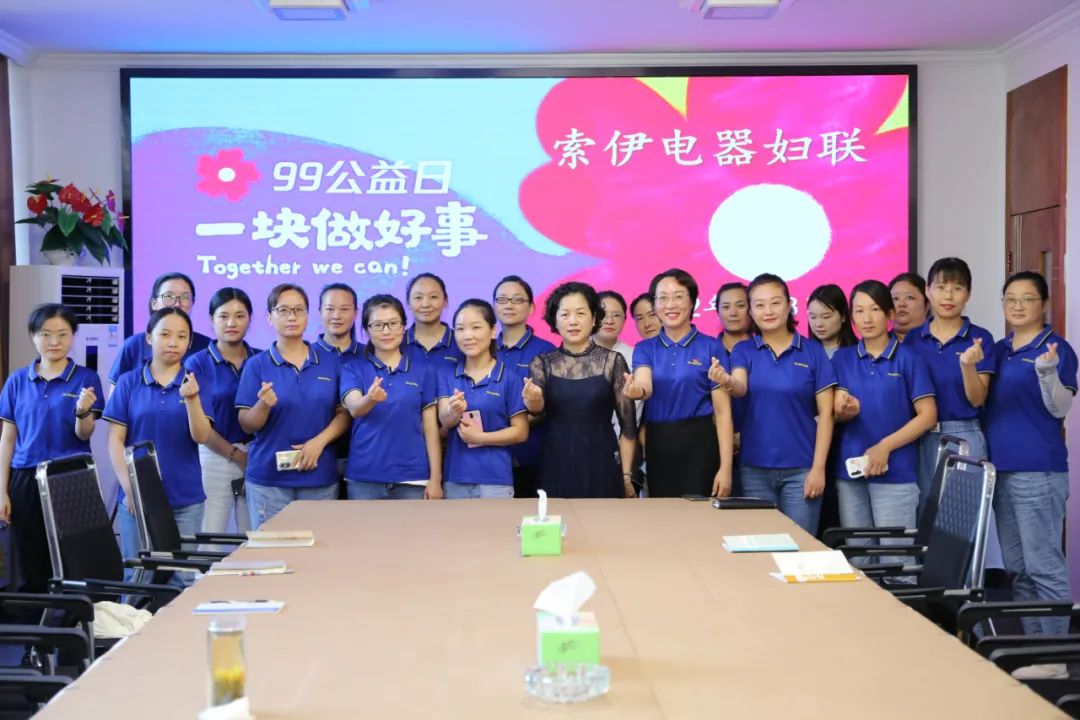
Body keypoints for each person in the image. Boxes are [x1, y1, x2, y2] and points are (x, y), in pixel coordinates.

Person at [984, 271, 1076, 664]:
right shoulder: (999, 349)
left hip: (1038, 471)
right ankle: (1036, 652)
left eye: (1027, 299)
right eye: (1010, 298)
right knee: (1019, 569)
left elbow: (1060, 407)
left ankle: (1056, 658)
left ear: (1044, 304)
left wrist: (1047, 371)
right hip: (1001, 472)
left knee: (1044, 567)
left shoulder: (1056, 348)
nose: (1017, 306)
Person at [713, 273, 836, 534]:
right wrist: (726, 380)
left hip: (802, 470)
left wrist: (818, 468)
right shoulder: (744, 350)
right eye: (759, 305)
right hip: (753, 469)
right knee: (759, 545)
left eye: (775, 303)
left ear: (789, 305)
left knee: (800, 545)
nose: (768, 311)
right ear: (751, 311)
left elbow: (827, 415)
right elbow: (740, 386)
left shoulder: (813, 352)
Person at [831, 280, 937, 565]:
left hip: (896, 473)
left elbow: (928, 415)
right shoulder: (842, 358)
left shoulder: (909, 358)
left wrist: (884, 447)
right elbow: (833, 411)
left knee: (896, 562)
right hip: (851, 473)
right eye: (859, 310)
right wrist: (842, 409)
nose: (866, 318)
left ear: (890, 313)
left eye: (875, 309)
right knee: (859, 561)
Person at [0, 304, 103, 592]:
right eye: (45, 334)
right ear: (33, 336)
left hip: (71, 477)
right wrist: (2, 491)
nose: (54, 341)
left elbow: (84, 433)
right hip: (25, 477)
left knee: (75, 558)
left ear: (73, 336)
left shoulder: (86, 378)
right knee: (29, 559)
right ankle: (35, 619)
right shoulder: (17, 380)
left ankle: (73, 618)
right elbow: (7, 439)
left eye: (62, 334)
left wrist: (82, 411)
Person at [103, 308, 211, 577]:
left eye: (181, 336)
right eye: (165, 334)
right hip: (137, 497)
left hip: (185, 497)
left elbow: (201, 436)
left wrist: (192, 399)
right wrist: (130, 489)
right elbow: (115, 440)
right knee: (137, 577)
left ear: (189, 342)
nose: (173, 342)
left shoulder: (195, 382)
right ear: (149, 337)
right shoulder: (128, 382)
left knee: (182, 577)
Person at [235, 284, 351, 528]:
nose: (292, 317)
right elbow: (246, 424)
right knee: (274, 550)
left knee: (321, 547)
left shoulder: (330, 362)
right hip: (269, 480)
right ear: (270, 317)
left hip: (319, 477)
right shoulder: (257, 365)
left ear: (308, 316)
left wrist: (318, 443)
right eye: (283, 310)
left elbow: (343, 414)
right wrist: (263, 405)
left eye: (299, 310)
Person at [625, 269, 733, 498]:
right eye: (662, 298)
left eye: (678, 297)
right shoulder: (645, 348)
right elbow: (644, 383)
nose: (670, 305)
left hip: (701, 442)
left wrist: (726, 468)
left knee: (700, 512)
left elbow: (723, 412)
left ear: (692, 302)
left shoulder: (711, 347)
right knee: (663, 512)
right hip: (659, 441)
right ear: (655, 304)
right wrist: (637, 390)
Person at [525, 282, 637, 498]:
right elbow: (537, 412)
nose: (573, 321)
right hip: (555, 462)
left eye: (580, 313)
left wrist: (625, 475)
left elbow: (629, 427)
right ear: (555, 320)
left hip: (602, 462)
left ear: (594, 318)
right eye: (565, 314)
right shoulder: (542, 363)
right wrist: (533, 401)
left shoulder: (612, 361)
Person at [903, 257, 994, 517]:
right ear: (927, 291)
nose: (949, 296)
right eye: (941, 287)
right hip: (920, 436)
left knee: (960, 522)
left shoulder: (979, 339)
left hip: (964, 434)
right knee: (923, 517)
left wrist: (967, 365)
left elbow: (978, 399)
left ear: (968, 294)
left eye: (957, 288)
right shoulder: (912, 340)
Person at [341, 294, 442, 500]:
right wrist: (370, 398)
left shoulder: (424, 370)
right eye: (377, 325)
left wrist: (435, 478)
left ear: (404, 326)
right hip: (364, 477)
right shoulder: (352, 368)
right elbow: (354, 409)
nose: (386, 331)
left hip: (413, 478)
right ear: (366, 330)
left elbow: (430, 428)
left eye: (393, 323)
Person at [184, 288, 260, 544]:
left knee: (253, 536)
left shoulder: (261, 359)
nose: (231, 323)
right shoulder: (197, 363)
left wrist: (250, 457)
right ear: (211, 319)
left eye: (240, 316)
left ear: (250, 319)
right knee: (211, 535)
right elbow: (201, 427)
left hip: (257, 456)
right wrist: (237, 456)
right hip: (215, 455)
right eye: (223, 316)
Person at [438, 299, 528, 498]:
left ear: (493, 331)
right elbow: (444, 420)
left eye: (476, 327)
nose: (467, 335)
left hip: (496, 480)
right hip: (455, 478)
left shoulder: (509, 378)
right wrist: (453, 410)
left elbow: (521, 432)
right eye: (460, 329)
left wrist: (481, 438)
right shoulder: (447, 375)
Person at [492, 275, 556, 498]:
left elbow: (552, 406)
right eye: (502, 299)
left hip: (532, 457)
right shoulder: (483, 349)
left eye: (517, 300)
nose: (509, 305)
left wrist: (507, 426)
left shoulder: (546, 351)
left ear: (531, 308)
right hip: (489, 458)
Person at [108, 272, 211, 384]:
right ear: (154, 303)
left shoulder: (206, 348)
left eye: (185, 297)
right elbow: (115, 393)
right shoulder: (133, 345)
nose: (177, 304)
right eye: (168, 297)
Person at [405, 273, 462, 377]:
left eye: (433, 297)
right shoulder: (398, 342)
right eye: (418, 297)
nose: (426, 304)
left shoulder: (461, 341)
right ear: (408, 303)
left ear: (445, 301)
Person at [807, 284, 858, 359]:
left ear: (843, 316)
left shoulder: (861, 352)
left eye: (826, 317)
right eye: (813, 317)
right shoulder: (803, 353)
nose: (818, 324)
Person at [592, 290, 634, 368]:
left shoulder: (633, 356)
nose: (609, 321)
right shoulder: (574, 351)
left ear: (624, 320)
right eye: (603, 314)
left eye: (616, 315)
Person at [889, 272, 930, 343]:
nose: (901, 304)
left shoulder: (940, 343)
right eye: (895, 299)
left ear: (926, 305)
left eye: (909, 298)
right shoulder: (878, 345)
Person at [715, 282, 751, 355]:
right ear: (718, 311)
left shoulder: (766, 350)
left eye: (740, 306)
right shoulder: (706, 351)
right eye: (726, 307)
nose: (733, 313)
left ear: (751, 310)